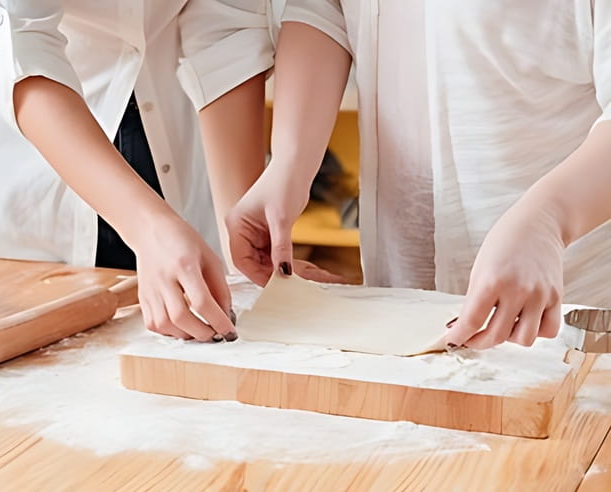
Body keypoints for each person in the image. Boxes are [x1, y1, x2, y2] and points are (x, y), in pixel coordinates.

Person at [227, 1, 611, 350]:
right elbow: (327, 9)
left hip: (570, 318)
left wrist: (550, 219)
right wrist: (290, 162)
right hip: (397, 301)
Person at [0, 0, 282, 342]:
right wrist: (149, 228)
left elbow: (226, 33)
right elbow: (22, 44)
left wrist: (240, 233)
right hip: (27, 193)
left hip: (173, 174)